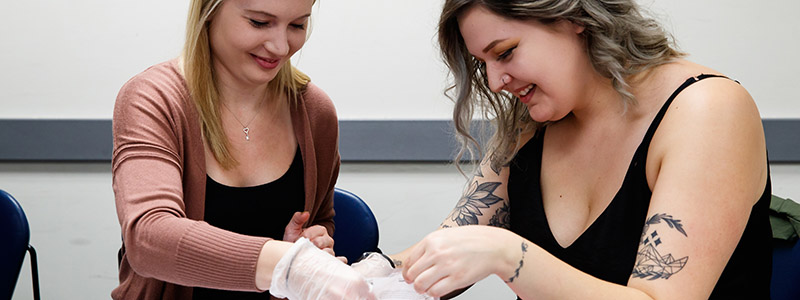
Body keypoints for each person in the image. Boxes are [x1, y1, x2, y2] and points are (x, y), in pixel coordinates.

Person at [354, 0, 772, 299]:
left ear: (573, 16)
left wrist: (509, 255)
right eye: (484, 63)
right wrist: (360, 275)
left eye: (505, 52)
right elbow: (452, 244)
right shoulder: (531, 127)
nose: (496, 80)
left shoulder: (707, 110)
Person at [111, 0, 375, 299]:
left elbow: (321, 221)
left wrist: (311, 245)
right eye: (259, 23)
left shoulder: (314, 111)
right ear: (209, 12)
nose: (280, 47)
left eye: (297, 25)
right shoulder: (153, 99)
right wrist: (287, 263)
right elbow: (148, 238)